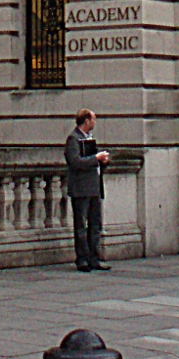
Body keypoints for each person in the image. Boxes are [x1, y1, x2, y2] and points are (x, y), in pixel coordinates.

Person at [65, 108, 110, 272]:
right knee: (81, 226)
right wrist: (95, 158)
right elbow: (75, 162)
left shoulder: (89, 138)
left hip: (94, 186)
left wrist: (102, 161)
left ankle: (94, 258)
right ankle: (82, 259)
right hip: (81, 188)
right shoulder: (73, 139)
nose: (95, 122)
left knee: (95, 225)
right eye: (93, 119)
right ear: (86, 121)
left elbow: (91, 161)